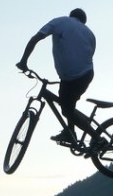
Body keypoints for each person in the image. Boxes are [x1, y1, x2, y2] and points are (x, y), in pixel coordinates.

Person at [16, 8, 97, 143]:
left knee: (67, 110)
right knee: (68, 104)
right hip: (83, 75)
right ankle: (70, 133)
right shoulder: (89, 33)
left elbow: (35, 39)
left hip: (72, 77)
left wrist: (23, 61)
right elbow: (88, 55)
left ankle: (97, 138)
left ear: (70, 16)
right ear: (83, 21)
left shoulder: (60, 21)